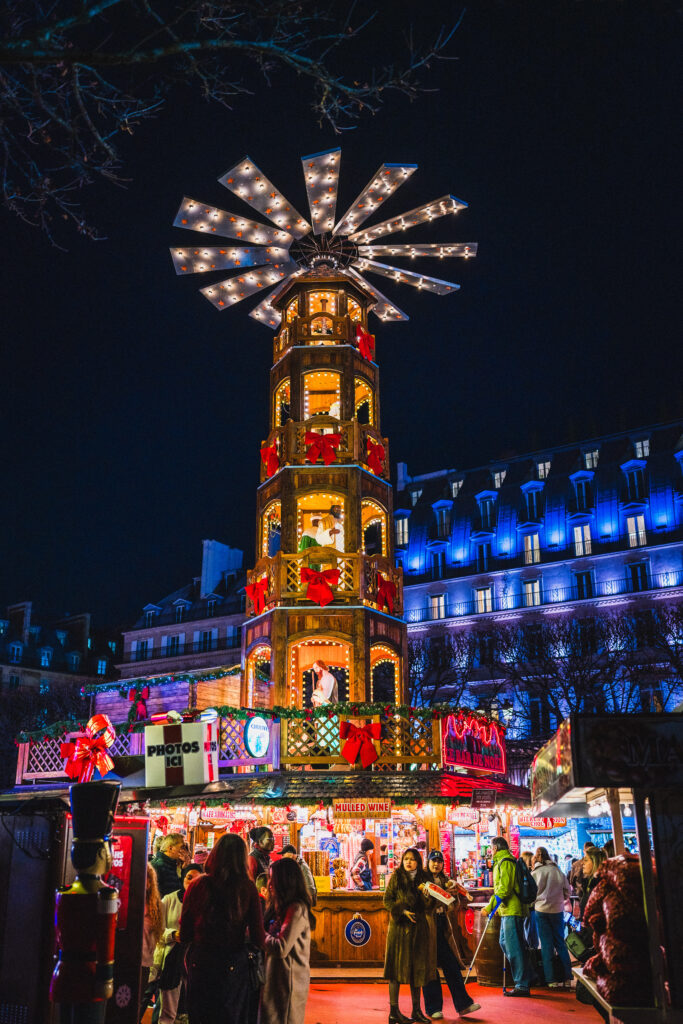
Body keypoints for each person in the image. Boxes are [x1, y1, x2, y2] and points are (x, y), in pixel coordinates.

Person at [179, 833, 266, 1024]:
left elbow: (185, 933)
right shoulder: (247, 888)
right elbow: (259, 938)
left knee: (200, 1016)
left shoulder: (196, 885)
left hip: (200, 961)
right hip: (233, 964)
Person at [422, 850, 481, 1020]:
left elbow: (453, 906)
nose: (436, 864)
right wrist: (437, 896)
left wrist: (453, 897)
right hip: (427, 926)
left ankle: (463, 1005)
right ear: (428, 862)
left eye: (439, 861)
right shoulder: (422, 881)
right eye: (433, 861)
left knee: (451, 965)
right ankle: (433, 1008)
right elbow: (420, 904)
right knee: (430, 967)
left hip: (442, 924)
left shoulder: (447, 881)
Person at [383, 847, 436, 1024]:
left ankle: (417, 1010)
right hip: (399, 930)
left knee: (417, 970)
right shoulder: (397, 877)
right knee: (395, 970)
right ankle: (393, 1012)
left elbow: (431, 906)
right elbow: (387, 900)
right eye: (406, 858)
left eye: (412, 859)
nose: (408, 862)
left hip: (418, 928)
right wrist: (402, 911)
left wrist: (428, 897)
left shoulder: (425, 878)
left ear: (418, 862)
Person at [261, 858, 315, 1024]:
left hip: (288, 981)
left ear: (285, 881)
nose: (270, 884)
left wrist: (257, 934)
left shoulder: (296, 909)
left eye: (273, 878)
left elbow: (281, 947)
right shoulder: (278, 907)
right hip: (275, 978)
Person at [481, 836, 533, 998]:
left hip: (513, 910)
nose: (490, 851)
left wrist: (490, 907)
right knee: (505, 943)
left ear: (496, 848)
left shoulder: (506, 862)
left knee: (514, 947)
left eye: (491, 848)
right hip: (507, 910)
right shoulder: (502, 861)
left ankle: (522, 984)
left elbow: (504, 889)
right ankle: (526, 976)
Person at [155, 867, 201, 1024]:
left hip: (194, 959)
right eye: (189, 877)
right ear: (182, 878)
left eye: (197, 879)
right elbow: (157, 931)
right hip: (172, 959)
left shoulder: (204, 903)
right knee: (168, 1011)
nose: (192, 882)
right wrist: (173, 934)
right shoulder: (169, 900)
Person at [532, 846, 572, 988]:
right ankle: (567, 977)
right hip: (557, 910)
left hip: (541, 910)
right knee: (560, 943)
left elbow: (531, 893)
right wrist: (561, 898)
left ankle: (551, 980)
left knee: (546, 945)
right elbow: (567, 891)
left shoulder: (535, 873)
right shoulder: (557, 871)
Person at [140, 863, 165, 1021]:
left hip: (145, 962)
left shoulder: (157, 905)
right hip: (125, 960)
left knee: (138, 1004)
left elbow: (159, 933)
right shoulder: (126, 901)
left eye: (146, 877)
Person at [580, 847, 608, 933]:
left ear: (595, 862)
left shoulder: (600, 884)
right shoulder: (591, 882)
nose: (582, 863)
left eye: (586, 860)